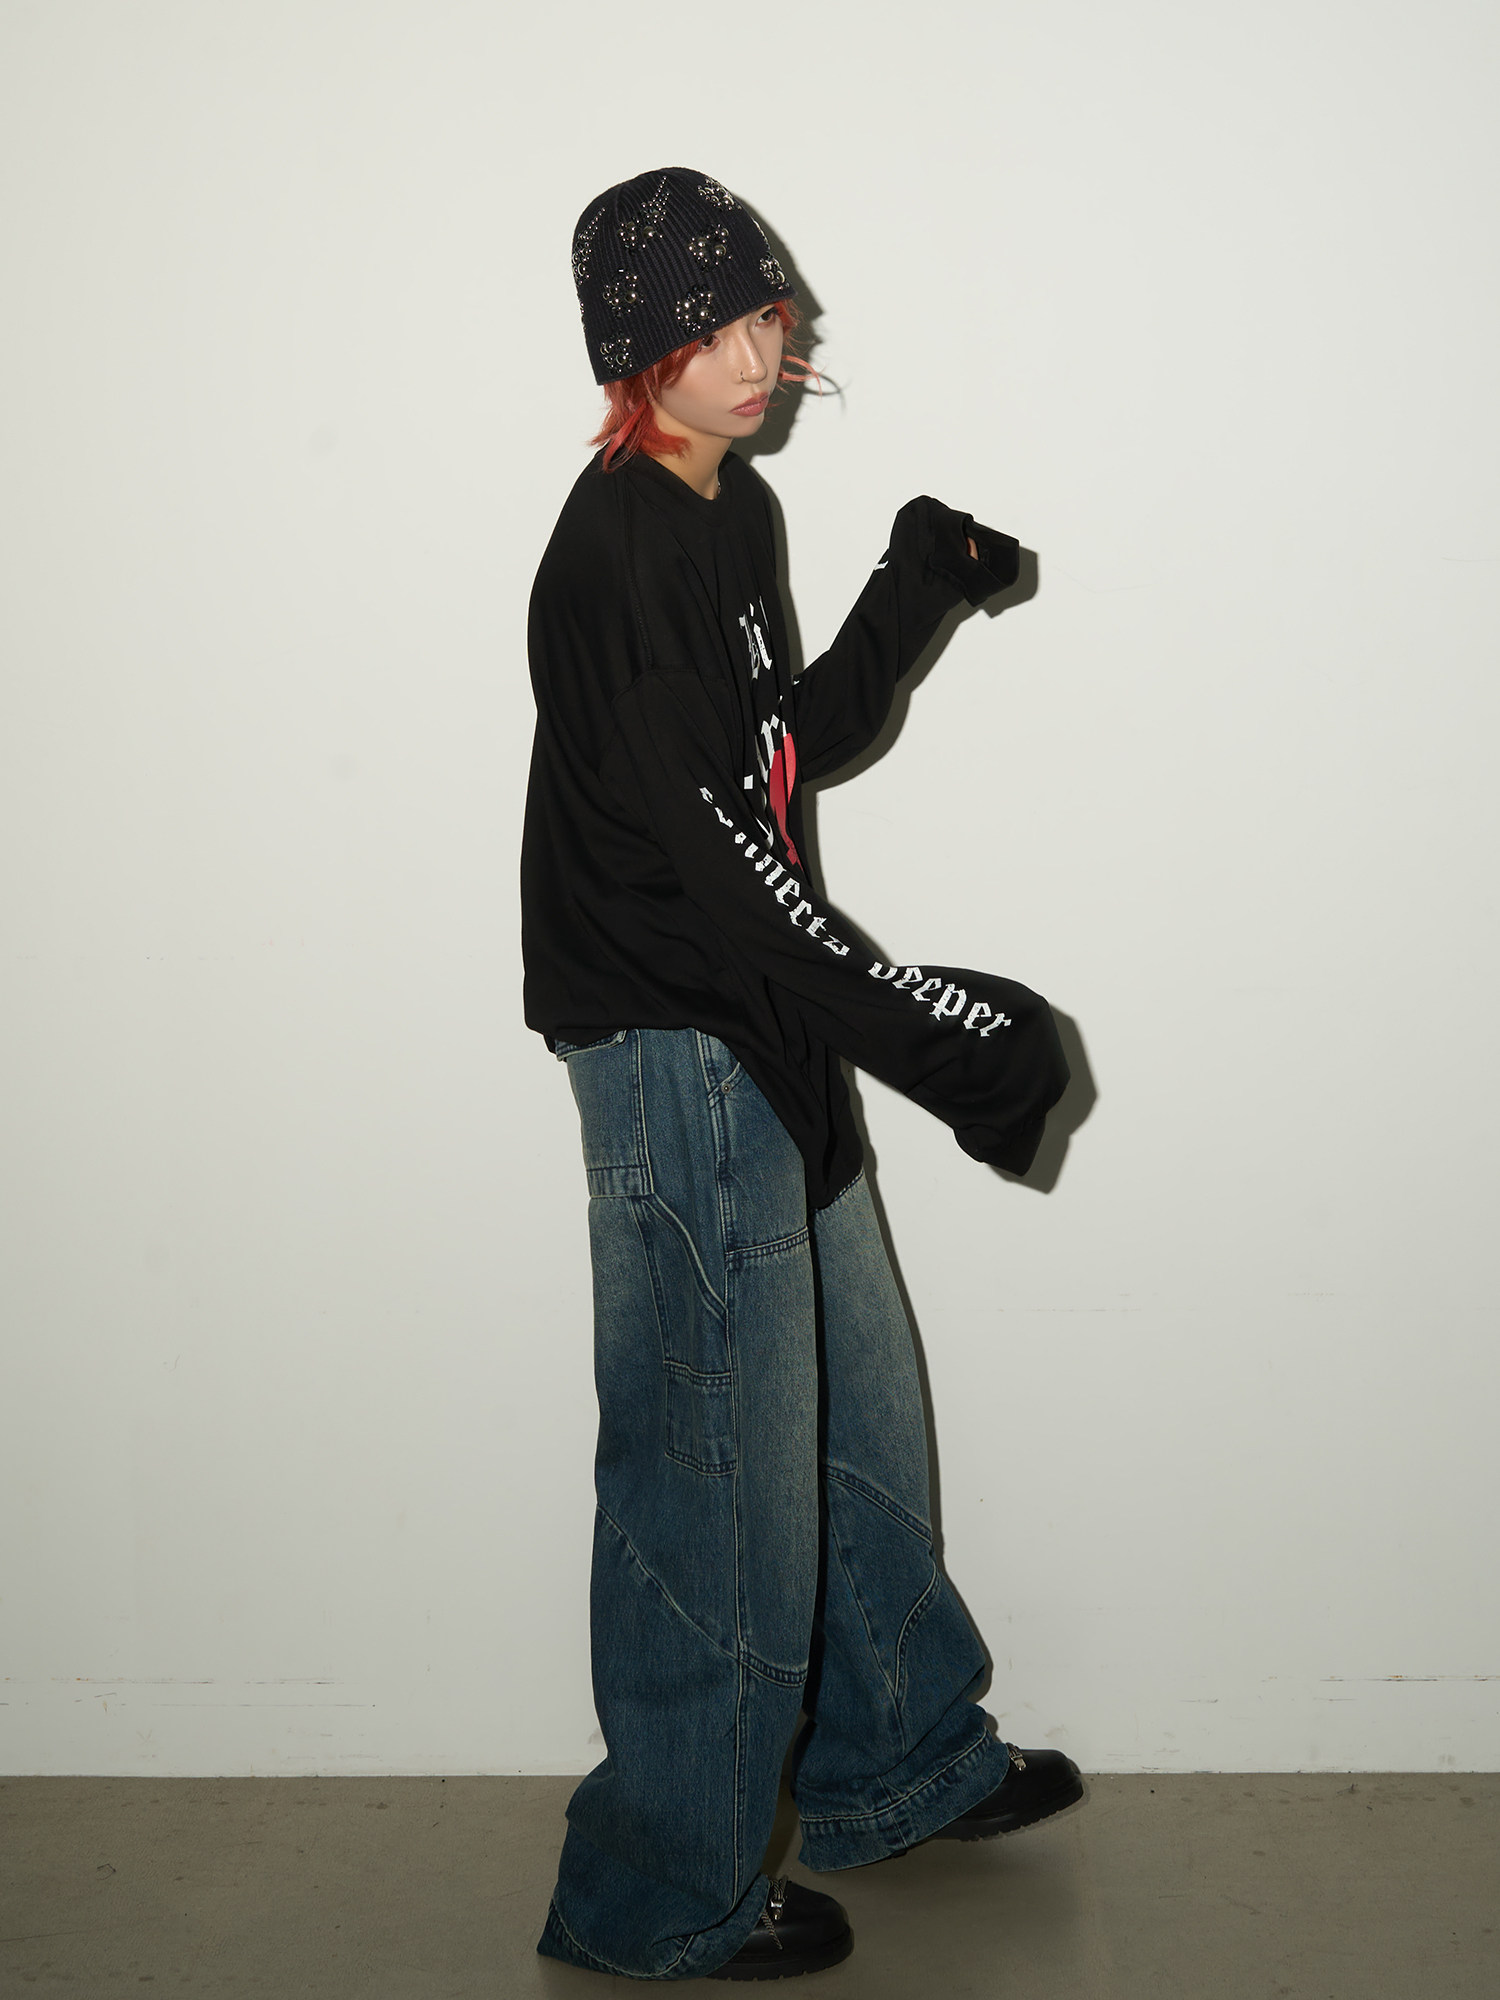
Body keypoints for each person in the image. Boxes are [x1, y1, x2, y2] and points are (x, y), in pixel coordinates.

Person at [522, 167, 1081, 1983]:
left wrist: (918, 589)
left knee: (858, 1423)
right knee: (713, 1478)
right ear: (640, 347)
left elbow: (786, 750)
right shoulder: (615, 555)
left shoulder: (728, 511)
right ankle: (654, 1890)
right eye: (726, 324)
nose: (768, 352)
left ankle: (892, 1760)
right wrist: (934, 1026)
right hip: (677, 1046)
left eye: (773, 316)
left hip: (758, 1014)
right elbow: (717, 867)